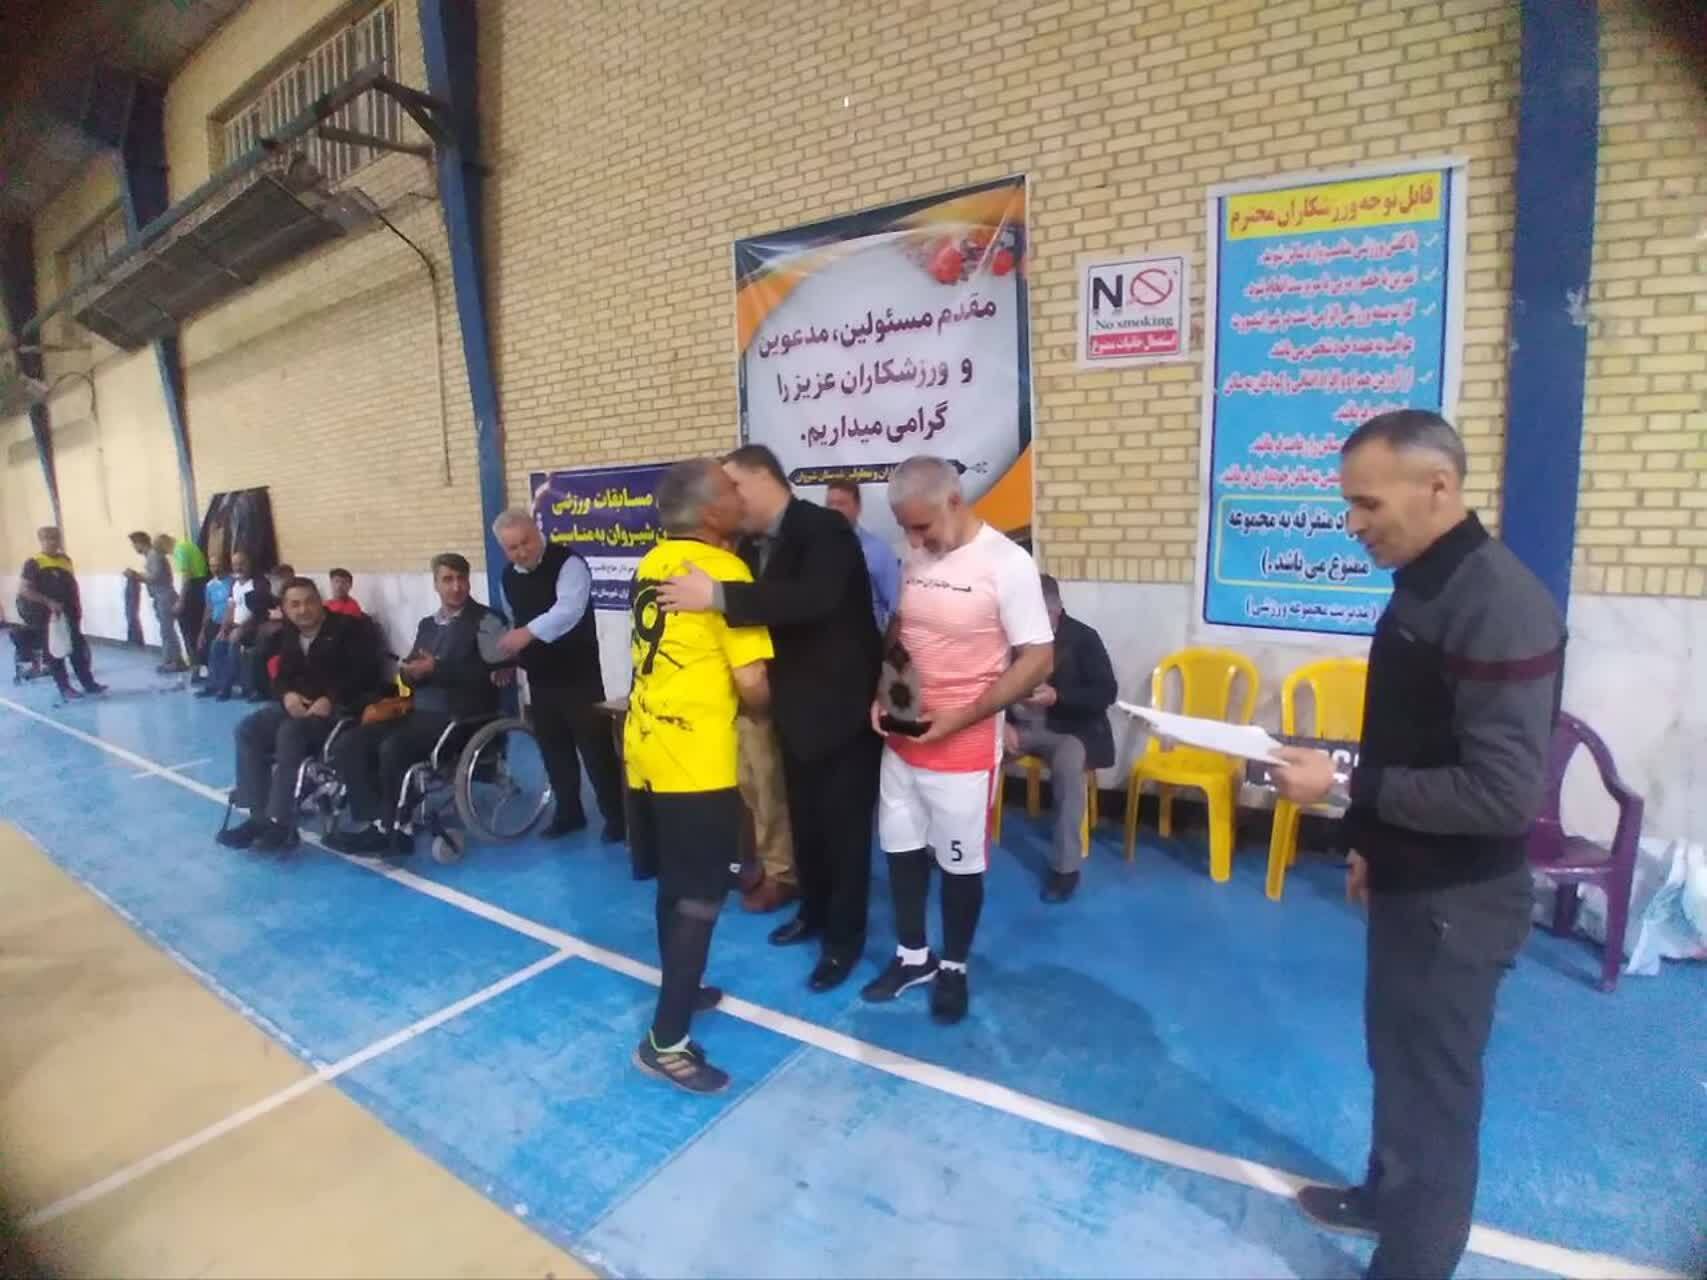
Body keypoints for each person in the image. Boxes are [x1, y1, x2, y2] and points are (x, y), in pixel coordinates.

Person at [1270, 410, 1563, 1280]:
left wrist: (1344, 785)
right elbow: (1414, 734)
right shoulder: (1426, 583)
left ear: (1437, 486)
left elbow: (1502, 795)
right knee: (1394, 1059)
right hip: (1411, 879)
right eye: (1348, 504)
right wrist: (1370, 843)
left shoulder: (1496, 603)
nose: (1352, 523)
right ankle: (1383, 1199)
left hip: (1457, 902)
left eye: (1366, 504)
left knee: (1433, 1093)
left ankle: (1414, 1263)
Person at [657, 444, 883, 993]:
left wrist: (717, 595)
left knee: (845, 835)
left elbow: (813, 599)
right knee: (805, 824)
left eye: (734, 486)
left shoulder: (823, 528)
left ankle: (844, 941)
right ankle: (814, 913)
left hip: (841, 713)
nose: (730, 500)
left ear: (763, 478)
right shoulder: (753, 545)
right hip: (792, 711)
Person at [862, 456, 1053, 1024]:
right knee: (899, 849)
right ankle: (913, 956)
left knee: (959, 862)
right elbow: (903, 627)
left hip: (963, 749)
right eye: (906, 528)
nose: (914, 540)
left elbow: (1038, 658)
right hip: (903, 739)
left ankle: (953, 967)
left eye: (921, 526)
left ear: (954, 500)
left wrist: (965, 716)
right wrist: (882, 691)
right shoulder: (916, 554)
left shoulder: (1007, 564)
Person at [627, 459, 773, 1093]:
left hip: (647, 749)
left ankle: (681, 990)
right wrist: (768, 709)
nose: (741, 496)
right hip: (697, 759)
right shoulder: (724, 572)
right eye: (731, 489)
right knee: (701, 896)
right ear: (712, 514)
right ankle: (666, 1043)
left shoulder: (653, 561)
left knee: (674, 884)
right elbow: (753, 682)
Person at [326, 553, 507, 857]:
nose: (456, 586)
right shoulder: (427, 625)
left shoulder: (488, 621)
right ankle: (376, 821)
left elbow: (492, 676)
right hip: (419, 712)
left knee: (393, 747)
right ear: (436, 584)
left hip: (462, 717)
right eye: (448, 580)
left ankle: (395, 829)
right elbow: (410, 675)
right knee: (351, 742)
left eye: (461, 579)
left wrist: (437, 669)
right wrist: (408, 674)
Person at [216, 577, 382, 853]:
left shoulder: (350, 630)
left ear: (320, 602)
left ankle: (281, 823)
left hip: (339, 712)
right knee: (248, 729)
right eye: (295, 605)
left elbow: (366, 675)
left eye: (309, 602)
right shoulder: (289, 634)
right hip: (298, 708)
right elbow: (280, 677)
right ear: (285, 608)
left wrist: (330, 699)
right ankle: (258, 818)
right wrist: (287, 695)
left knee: (289, 733)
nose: (303, 610)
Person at [492, 510, 626, 841]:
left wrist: (526, 634)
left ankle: (617, 817)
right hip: (540, 677)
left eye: (525, 542)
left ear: (537, 532)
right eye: (512, 548)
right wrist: (511, 656)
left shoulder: (569, 564)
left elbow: (568, 611)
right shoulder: (507, 577)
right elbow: (514, 620)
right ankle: (569, 813)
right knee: (554, 749)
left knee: (595, 749)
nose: (521, 551)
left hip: (579, 676)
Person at [1003, 574, 1117, 903]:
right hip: (1019, 726)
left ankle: (1065, 869)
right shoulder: (1011, 637)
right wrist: (1002, 724)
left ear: (1055, 610)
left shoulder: (1083, 638)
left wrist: (1058, 696)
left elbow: (1106, 693)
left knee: (1069, 767)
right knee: (973, 751)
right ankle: (950, 845)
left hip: (1067, 729)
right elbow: (990, 684)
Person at [18, 526, 106, 698]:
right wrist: (48, 602)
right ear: (41, 540)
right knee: (55, 653)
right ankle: (64, 688)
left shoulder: (65, 560)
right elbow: (25, 590)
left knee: (78, 651)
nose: (53, 542)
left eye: (56, 538)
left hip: (70, 614)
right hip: (48, 617)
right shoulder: (34, 563)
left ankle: (89, 684)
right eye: (48, 539)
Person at [824, 479, 902, 631]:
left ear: (858, 508)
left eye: (841, 504)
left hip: (865, 637)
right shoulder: (814, 548)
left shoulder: (878, 550)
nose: (834, 509)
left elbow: (896, 607)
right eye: (830, 504)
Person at [199, 550, 263, 700]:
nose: (238, 567)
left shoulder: (257, 584)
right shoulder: (235, 585)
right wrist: (224, 629)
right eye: (235, 564)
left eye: (242, 564)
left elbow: (259, 612)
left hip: (252, 626)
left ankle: (226, 688)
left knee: (233, 644)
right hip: (235, 625)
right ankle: (213, 685)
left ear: (249, 564)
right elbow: (231, 608)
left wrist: (241, 628)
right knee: (216, 643)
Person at [127, 533, 187, 673]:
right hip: (161, 596)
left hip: (164, 596)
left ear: (140, 543)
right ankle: (175, 660)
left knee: (167, 631)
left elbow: (154, 577)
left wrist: (136, 576)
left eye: (134, 544)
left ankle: (173, 662)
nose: (134, 547)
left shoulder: (154, 556)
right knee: (167, 630)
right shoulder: (152, 556)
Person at [169, 532, 210, 668]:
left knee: (188, 628)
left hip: (194, 588)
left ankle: (196, 663)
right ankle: (202, 662)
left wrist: (181, 601)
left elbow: (186, 576)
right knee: (198, 626)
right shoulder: (188, 545)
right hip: (202, 584)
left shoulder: (179, 550)